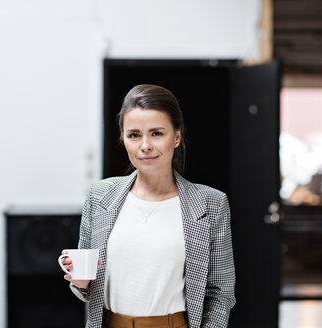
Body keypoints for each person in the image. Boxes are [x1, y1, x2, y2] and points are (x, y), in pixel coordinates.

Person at [60, 84, 236, 328]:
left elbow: (221, 293)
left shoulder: (211, 203)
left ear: (176, 137)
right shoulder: (99, 196)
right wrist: (80, 282)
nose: (145, 145)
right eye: (134, 135)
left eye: (156, 133)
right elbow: (86, 285)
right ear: (123, 139)